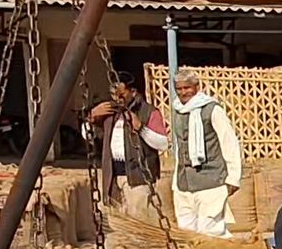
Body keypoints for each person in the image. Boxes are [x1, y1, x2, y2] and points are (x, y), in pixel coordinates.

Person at [87, 71, 169, 220]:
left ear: (133, 92)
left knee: (138, 224)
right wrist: (91, 117)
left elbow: (163, 144)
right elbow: (89, 137)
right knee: (117, 225)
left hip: (137, 179)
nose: (117, 99)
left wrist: (141, 128)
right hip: (113, 178)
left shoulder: (148, 112)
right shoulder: (110, 113)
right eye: (114, 94)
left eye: (121, 94)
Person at [171, 69, 242, 238]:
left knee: (211, 230)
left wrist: (233, 178)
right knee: (186, 231)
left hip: (211, 179)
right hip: (184, 182)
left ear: (196, 87)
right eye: (179, 89)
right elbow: (180, 148)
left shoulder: (212, 109)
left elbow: (229, 142)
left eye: (187, 88)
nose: (183, 92)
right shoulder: (177, 110)